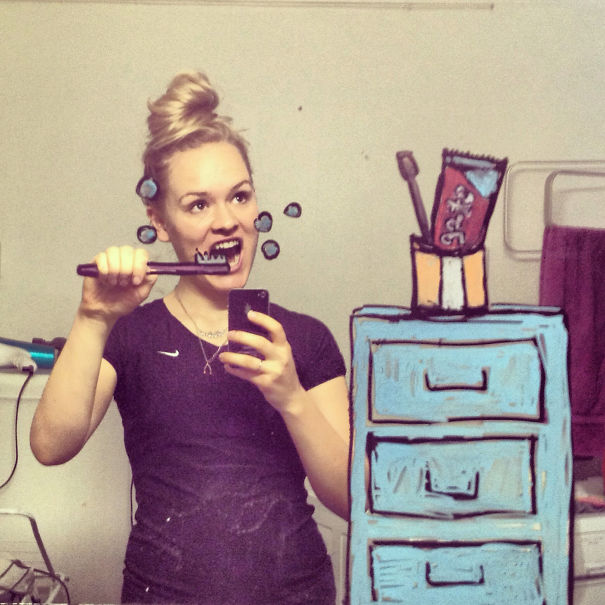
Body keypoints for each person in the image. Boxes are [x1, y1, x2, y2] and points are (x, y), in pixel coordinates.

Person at [30, 71, 350, 605]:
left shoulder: (306, 338)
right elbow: (49, 446)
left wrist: (292, 398)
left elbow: (351, 501)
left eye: (240, 197)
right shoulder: (130, 335)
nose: (227, 222)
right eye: (198, 204)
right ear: (159, 221)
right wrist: (93, 318)